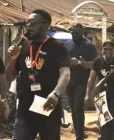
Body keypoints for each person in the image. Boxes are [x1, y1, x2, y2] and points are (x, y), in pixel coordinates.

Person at [6, 9, 71, 140]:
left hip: (48, 107)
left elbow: (66, 73)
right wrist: (13, 59)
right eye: (27, 22)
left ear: (46, 25)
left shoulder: (58, 47)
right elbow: (10, 77)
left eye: (33, 22)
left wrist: (56, 93)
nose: (28, 26)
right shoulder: (23, 46)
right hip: (25, 109)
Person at [65, 23, 97, 140]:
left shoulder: (89, 46)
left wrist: (79, 63)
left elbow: (95, 64)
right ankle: (78, 133)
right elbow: (62, 62)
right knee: (73, 108)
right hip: (69, 81)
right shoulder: (67, 45)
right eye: (72, 33)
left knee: (78, 106)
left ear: (82, 32)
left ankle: (80, 136)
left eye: (77, 33)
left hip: (82, 82)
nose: (74, 35)